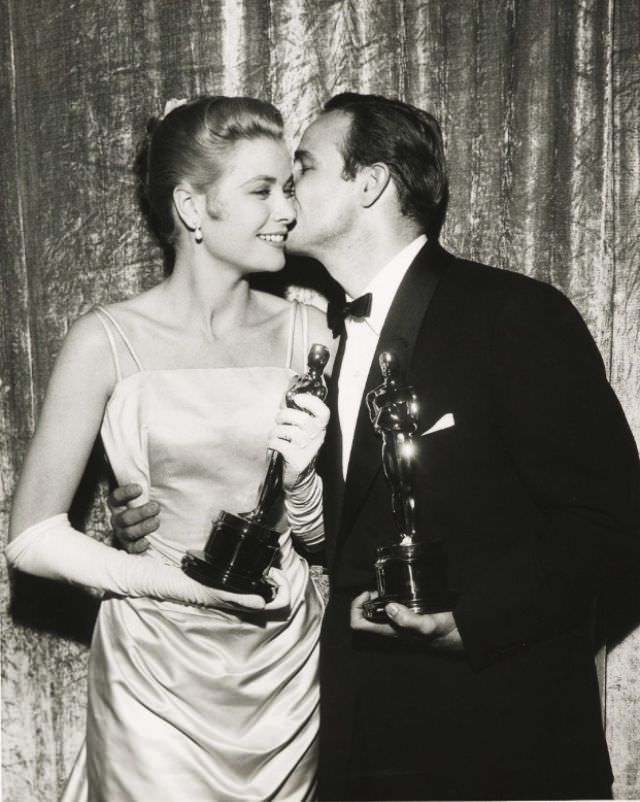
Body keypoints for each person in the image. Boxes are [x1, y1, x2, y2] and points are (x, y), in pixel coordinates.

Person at [109, 92, 640, 801]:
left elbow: (616, 523)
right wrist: (144, 512)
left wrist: (471, 623)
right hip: (364, 750)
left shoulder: (514, 316)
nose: (287, 195)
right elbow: (326, 532)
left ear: (370, 183)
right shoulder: (318, 341)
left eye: (303, 169)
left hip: (504, 751)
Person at [7, 95, 333, 802]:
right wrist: (181, 585)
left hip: (285, 675)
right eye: (261, 191)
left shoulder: (314, 333)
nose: (287, 210)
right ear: (192, 207)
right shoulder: (106, 340)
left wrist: (307, 488)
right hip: (153, 673)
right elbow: (31, 537)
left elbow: (336, 531)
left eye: (288, 187)